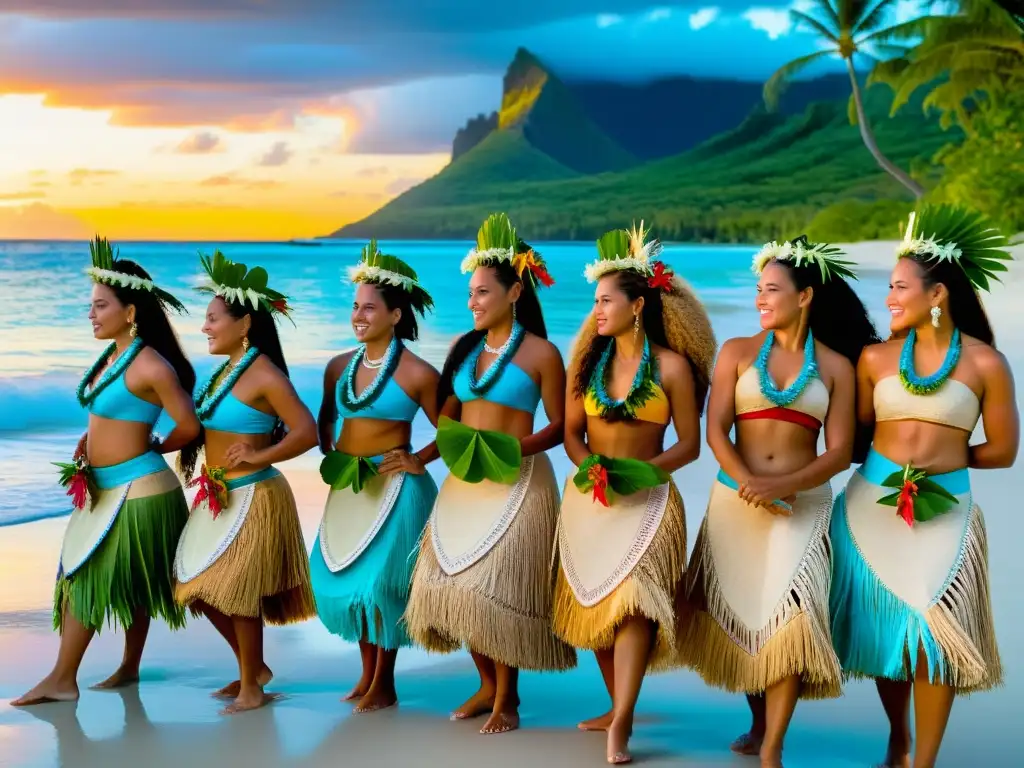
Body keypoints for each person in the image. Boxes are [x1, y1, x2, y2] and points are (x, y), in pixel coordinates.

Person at [678, 236, 881, 767]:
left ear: (805, 295)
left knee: (791, 616)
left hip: (803, 503)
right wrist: (749, 480)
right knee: (747, 614)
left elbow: (838, 452)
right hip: (736, 500)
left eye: (772, 289)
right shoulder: (737, 352)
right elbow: (716, 428)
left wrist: (784, 485)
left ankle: (773, 745)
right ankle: (757, 721)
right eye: (758, 288)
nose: (760, 299)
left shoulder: (836, 366)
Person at [830, 206, 1017, 768]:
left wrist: (943, 466)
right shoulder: (872, 359)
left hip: (946, 508)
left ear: (937, 295)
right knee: (889, 633)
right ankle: (898, 734)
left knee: (935, 637)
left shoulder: (987, 363)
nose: (888, 297)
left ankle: (925, 760)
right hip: (871, 508)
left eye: (898, 287)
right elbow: (861, 433)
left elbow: (1003, 451)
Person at [405, 213, 576, 735]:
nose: (473, 301)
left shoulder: (543, 354)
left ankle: (508, 699)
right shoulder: (464, 351)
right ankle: (485, 684)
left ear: (514, 291)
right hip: (465, 480)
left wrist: (514, 448)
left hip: (517, 479)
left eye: (482, 292)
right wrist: (424, 458)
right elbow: (450, 418)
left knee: (497, 588)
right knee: (456, 582)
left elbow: (562, 424)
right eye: (471, 293)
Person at [13, 237, 200, 706]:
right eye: (91, 306)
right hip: (104, 488)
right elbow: (111, 412)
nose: (91, 314)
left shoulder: (151, 364)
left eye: (100, 305)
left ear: (130, 310)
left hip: (138, 488)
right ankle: (129, 667)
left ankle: (61, 678)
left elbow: (189, 424)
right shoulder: (112, 358)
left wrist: (156, 445)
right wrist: (91, 440)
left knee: (89, 576)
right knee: (134, 580)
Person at [556, 223, 717, 764]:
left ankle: (621, 721)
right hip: (591, 498)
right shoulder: (586, 368)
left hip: (648, 501)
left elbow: (690, 445)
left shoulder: (671, 369)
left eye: (606, 301)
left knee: (634, 609)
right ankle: (614, 702)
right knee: (597, 603)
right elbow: (571, 437)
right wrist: (593, 469)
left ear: (637, 306)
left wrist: (646, 470)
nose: (596, 311)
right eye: (595, 301)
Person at [173, 251, 318, 715]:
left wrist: (262, 453)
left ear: (245, 323)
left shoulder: (264, 374)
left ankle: (252, 688)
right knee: (192, 586)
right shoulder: (224, 373)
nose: (205, 327)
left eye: (213, 318)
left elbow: (306, 431)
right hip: (216, 494)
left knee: (235, 589)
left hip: (254, 492)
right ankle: (251, 669)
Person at [309, 242, 441, 712]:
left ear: (395, 314)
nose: (359, 315)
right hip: (350, 487)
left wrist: (417, 458)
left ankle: (384, 682)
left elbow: (453, 428)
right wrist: (333, 451)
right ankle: (367, 674)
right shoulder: (338, 366)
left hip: (396, 490)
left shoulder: (419, 373)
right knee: (345, 584)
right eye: (355, 306)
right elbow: (324, 418)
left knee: (380, 588)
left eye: (369, 307)